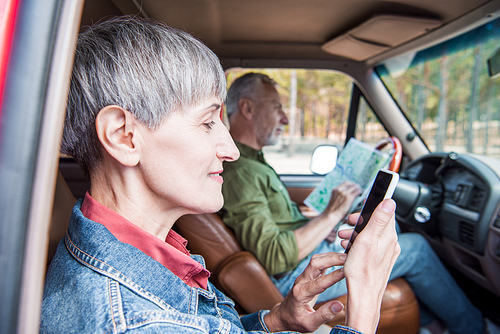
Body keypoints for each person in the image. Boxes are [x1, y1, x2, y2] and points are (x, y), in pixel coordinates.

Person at [40, 16, 401, 334]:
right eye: (207, 122)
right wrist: (364, 302)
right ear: (124, 136)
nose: (230, 150)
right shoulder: (136, 322)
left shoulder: (124, 247)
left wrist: (276, 320)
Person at [220, 72, 499, 334]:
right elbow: (274, 256)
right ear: (247, 109)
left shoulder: (253, 162)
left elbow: (277, 229)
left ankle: (432, 323)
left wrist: (320, 227)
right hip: (290, 276)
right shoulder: (241, 171)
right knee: (417, 249)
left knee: (390, 236)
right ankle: (476, 328)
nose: (284, 118)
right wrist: (331, 214)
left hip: (301, 258)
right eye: (277, 107)